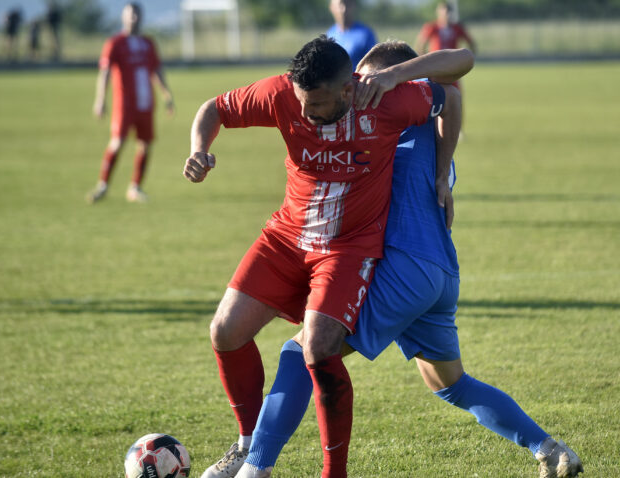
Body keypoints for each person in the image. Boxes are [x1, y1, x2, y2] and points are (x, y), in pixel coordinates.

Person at [232, 42, 584, 478]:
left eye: (364, 78)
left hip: (401, 267)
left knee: (303, 349)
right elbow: (451, 91)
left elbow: (457, 66)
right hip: (439, 274)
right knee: (449, 384)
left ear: (397, 81)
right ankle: (549, 449)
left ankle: (254, 466)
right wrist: (442, 171)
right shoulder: (434, 128)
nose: (355, 89)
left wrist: (395, 77)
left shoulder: (392, 118)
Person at [184, 35, 471, 478]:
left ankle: (333, 472)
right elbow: (213, 109)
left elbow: (455, 81)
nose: (304, 113)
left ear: (347, 90)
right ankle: (246, 447)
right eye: (301, 101)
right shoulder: (282, 93)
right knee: (224, 331)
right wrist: (199, 150)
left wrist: (441, 174)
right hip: (286, 238)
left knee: (318, 349)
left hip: (347, 249)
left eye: (316, 104)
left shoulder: (386, 102)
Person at [86, 2, 174, 204]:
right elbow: (105, 72)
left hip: (146, 104)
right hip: (124, 104)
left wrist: (167, 95)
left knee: (145, 145)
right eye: (130, 14)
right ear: (123, 17)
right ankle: (103, 185)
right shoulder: (115, 43)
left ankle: (135, 188)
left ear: (141, 16)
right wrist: (100, 100)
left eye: (137, 14)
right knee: (117, 143)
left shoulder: (148, 43)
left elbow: (157, 70)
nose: (134, 17)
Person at [326, 0, 377, 70]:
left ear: (353, 6)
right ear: (331, 8)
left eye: (348, 4)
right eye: (340, 4)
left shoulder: (365, 34)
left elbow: (375, 65)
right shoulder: (330, 33)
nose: (344, 9)